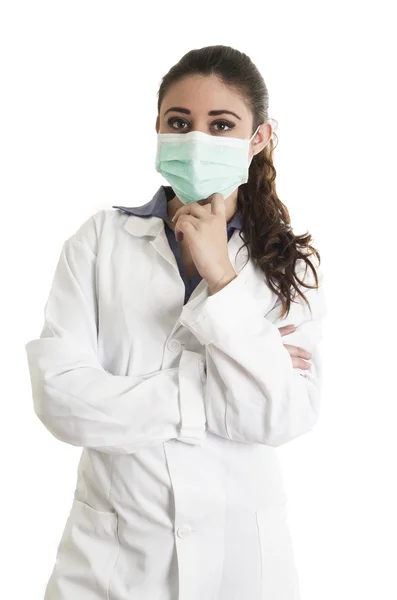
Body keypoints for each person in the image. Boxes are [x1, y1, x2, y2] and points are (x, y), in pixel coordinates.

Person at [25, 44, 328, 600]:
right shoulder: (98, 242)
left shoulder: (289, 265)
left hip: (241, 566)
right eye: (180, 122)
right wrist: (212, 391)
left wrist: (220, 275)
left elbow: (281, 417)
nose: (197, 141)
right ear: (158, 129)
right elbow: (62, 402)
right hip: (108, 568)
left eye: (222, 125)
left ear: (257, 139)